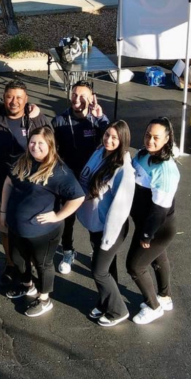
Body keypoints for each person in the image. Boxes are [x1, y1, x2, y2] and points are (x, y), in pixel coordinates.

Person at [0, 125, 84, 317]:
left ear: (50, 145)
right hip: (16, 226)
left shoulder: (59, 171)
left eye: (40, 143)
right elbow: (8, 183)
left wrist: (58, 215)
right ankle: (27, 285)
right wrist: (4, 212)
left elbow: (78, 197)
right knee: (19, 260)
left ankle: (44, 299)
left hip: (43, 233)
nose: (35, 146)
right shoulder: (23, 161)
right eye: (32, 142)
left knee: (43, 265)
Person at [0, 80, 51, 283]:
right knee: (6, 231)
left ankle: (32, 268)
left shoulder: (36, 121)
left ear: (26, 99)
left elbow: (51, 149)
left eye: (19, 97)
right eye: (9, 96)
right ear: (3, 97)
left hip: (31, 192)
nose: (14, 101)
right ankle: (11, 265)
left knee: (30, 232)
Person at [78, 121, 136, 327]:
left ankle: (118, 310)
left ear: (123, 141)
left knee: (99, 270)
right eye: (107, 135)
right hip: (96, 225)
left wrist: (107, 239)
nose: (108, 140)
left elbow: (120, 209)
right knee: (108, 268)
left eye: (114, 138)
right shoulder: (100, 152)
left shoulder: (123, 170)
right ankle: (105, 302)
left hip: (111, 229)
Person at [51, 81, 110, 275]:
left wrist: (101, 117)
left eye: (82, 96)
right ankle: (68, 251)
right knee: (67, 219)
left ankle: (96, 252)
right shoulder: (59, 121)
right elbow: (51, 150)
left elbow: (113, 139)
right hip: (68, 180)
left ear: (92, 98)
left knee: (94, 219)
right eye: (74, 95)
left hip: (93, 180)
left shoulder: (97, 120)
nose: (77, 99)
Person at [127, 118, 181, 325]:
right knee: (158, 258)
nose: (150, 140)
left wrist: (147, 234)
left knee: (135, 266)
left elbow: (159, 210)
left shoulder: (165, 170)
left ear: (167, 139)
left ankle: (153, 306)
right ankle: (165, 298)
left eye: (156, 138)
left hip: (158, 227)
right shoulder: (143, 154)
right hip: (145, 222)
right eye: (148, 135)